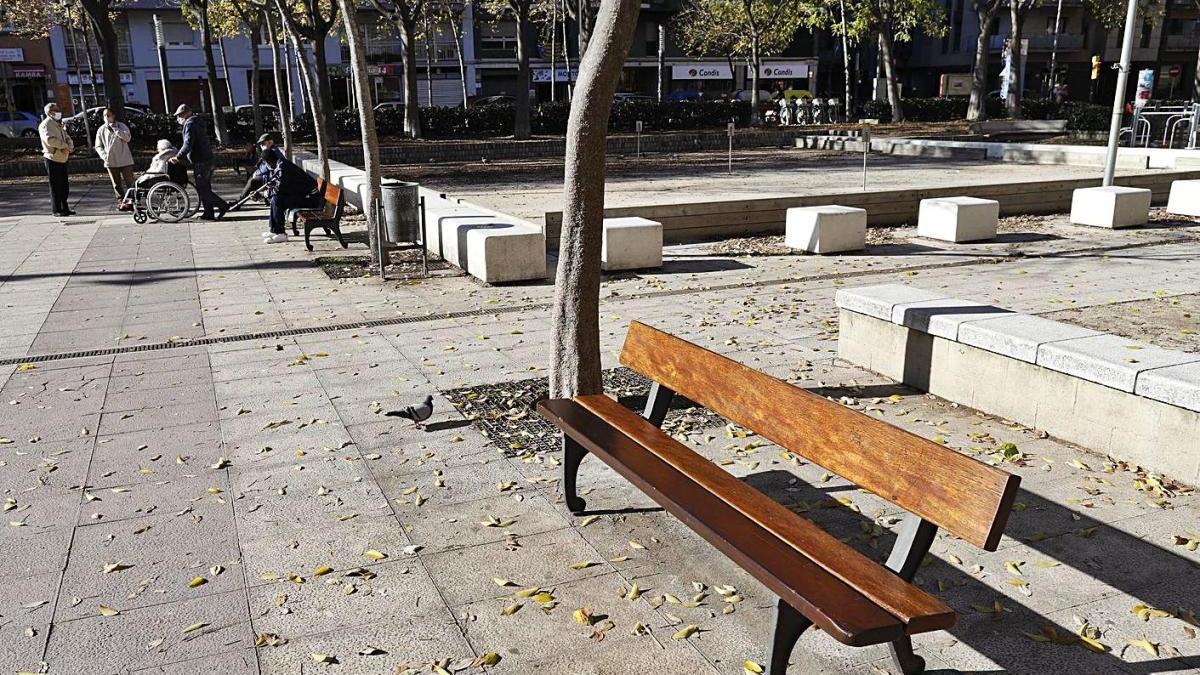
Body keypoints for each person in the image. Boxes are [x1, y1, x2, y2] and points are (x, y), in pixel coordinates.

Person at [171, 104, 228, 220]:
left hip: (201, 160)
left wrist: (178, 157)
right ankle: (208, 213)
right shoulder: (197, 121)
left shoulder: (190, 124)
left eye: (180, 115)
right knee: (205, 188)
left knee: (202, 189)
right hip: (207, 158)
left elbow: (188, 143)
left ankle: (222, 205)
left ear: (186, 113)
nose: (179, 117)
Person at [261, 150, 320, 244]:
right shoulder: (280, 164)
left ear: (269, 161)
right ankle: (274, 230)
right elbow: (281, 187)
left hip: (311, 199)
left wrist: (264, 194)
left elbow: (280, 189)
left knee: (278, 200)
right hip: (304, 196)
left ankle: (281, 233)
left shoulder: (283, 167)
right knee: (275, 199)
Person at [118, 139, 177, 211]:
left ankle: (132, 202)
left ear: (162, 148)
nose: (157, 149)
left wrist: (148, 175)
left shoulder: (162, 157)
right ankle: (132, 201)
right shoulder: (169, 154)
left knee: (136, 184)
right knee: (137, 183)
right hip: (161, 177)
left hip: (158, 177)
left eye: (158, 147)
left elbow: (160, 170)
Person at [39, 102, 74, 216]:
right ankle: (57, 210)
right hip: (53, 158)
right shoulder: (46, 124)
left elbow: (66, 136)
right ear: (49, 112)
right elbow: (50, 140)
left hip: (63, 158)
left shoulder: (58, 124)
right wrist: (63, 146)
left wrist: (69, 147)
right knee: (56, 186)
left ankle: (65, 208)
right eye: (55, 109)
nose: (58, 111)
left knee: (64, 185)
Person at [93, 107, 135, 204]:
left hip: (125, 160)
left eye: (108, 115)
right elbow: (98, 146)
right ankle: (121, 201)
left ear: (113, 116)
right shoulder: (101, 130)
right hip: (111, 161)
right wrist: (104, 156)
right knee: (116, 184)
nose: (106, 118)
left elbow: (127, 138)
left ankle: (134, 200)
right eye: (104, 116)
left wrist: (116, 130)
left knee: (130, 182)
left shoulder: (121, 126)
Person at [238, 133, 283, 203]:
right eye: (261, 144)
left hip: (270, 177)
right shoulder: (269, 150)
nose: (261, 146)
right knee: (251, 177)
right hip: (267, 175)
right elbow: (261, 165)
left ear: (270, 142)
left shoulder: (273, 152)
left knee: (252, 181)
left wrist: (256, 173)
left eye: (263, 144)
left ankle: (239, 202)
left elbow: (268, 168)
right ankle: (240, 200)